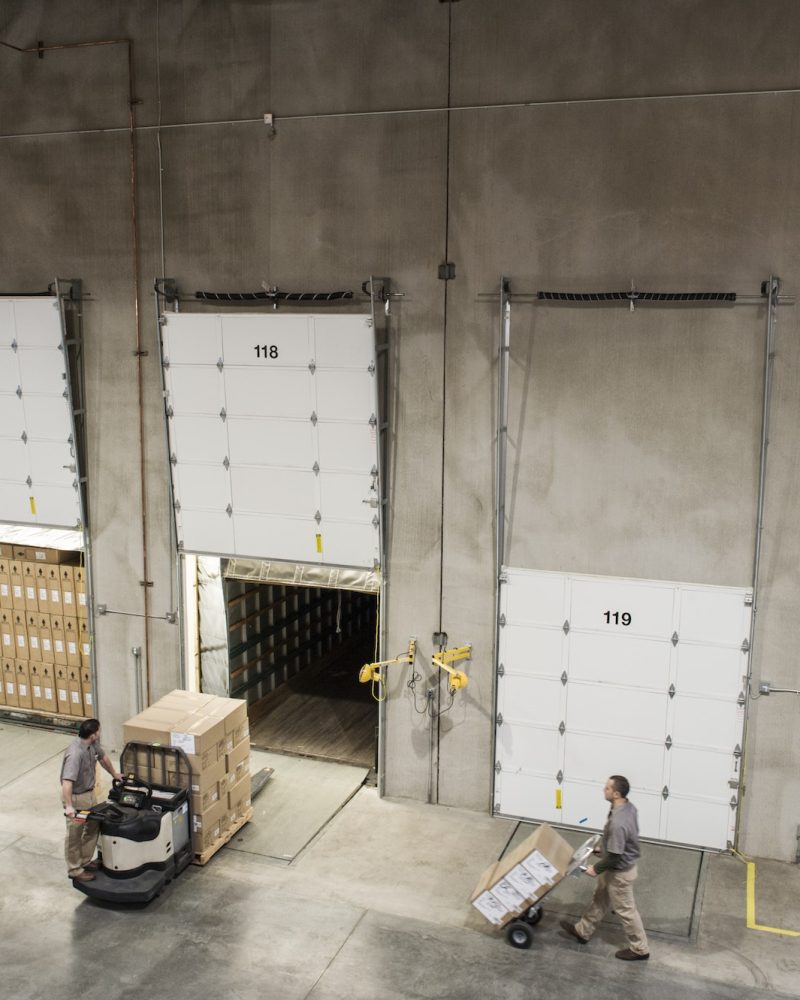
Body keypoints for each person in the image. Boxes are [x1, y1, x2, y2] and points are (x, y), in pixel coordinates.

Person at [560, 774, 650, 961]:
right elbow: (621, 844)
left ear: (616, 794)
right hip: (616, 866)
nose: (604, 789)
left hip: (620, 873)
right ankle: (583, 931)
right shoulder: (627, 807)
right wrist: (604, 849)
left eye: (607, 788)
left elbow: (617, 855)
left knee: (626, 911)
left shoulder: (619, 822)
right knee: (600, 899)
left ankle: (640, 949)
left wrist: (596, 868)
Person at [60, 718, 123, 883]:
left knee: (94, 825)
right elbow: (67, 782)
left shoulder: (92, 745)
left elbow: (103, 758)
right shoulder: (75, 753)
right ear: (93, 735)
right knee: (75, 834)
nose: (100, 733)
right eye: (99, 731)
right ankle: (74, 869)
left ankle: (85, 860)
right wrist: (69, 807)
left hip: (89, 794)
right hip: (77, 798)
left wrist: (114, 774)